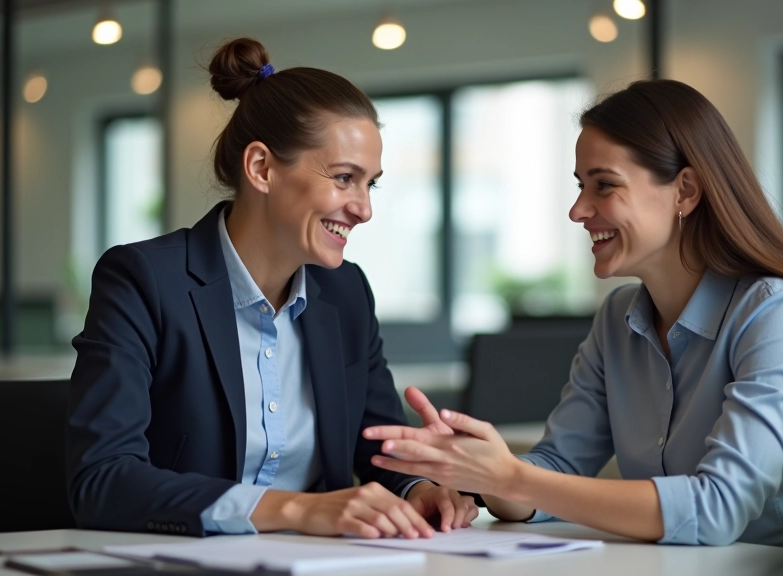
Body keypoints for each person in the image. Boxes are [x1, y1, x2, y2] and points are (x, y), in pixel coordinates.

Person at [364, 79, 783, 548]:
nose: (578, 210)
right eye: (578, 185)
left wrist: (514, 479)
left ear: (685, 190)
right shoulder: (618, 319)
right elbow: (555, 471)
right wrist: (483, 469)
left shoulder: (778, 314)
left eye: (604, 185)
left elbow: (718, 509)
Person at [66, 37, 477, 539]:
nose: (364, 208)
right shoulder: (143, 281)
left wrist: (416, 486)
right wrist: (297, 510)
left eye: (371, 184)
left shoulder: (346, 292)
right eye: (345, 178)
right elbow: (102, 480)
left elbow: (375, 445)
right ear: (261, 168)